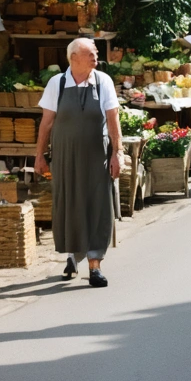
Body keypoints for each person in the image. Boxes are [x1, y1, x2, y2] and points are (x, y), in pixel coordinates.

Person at [35, 38, 122, 288]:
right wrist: (39, 155)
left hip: (97, 154)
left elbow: (113, 118)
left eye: (95, 53)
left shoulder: (102, 81)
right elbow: (47, 122)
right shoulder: (58, 83)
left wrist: (117, 153)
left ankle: (95, 265)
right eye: (91, 54)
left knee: (97, 203)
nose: (96, 57)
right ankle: (73, 256)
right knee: (69, 202)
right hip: (64, 155)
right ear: (74, 58)